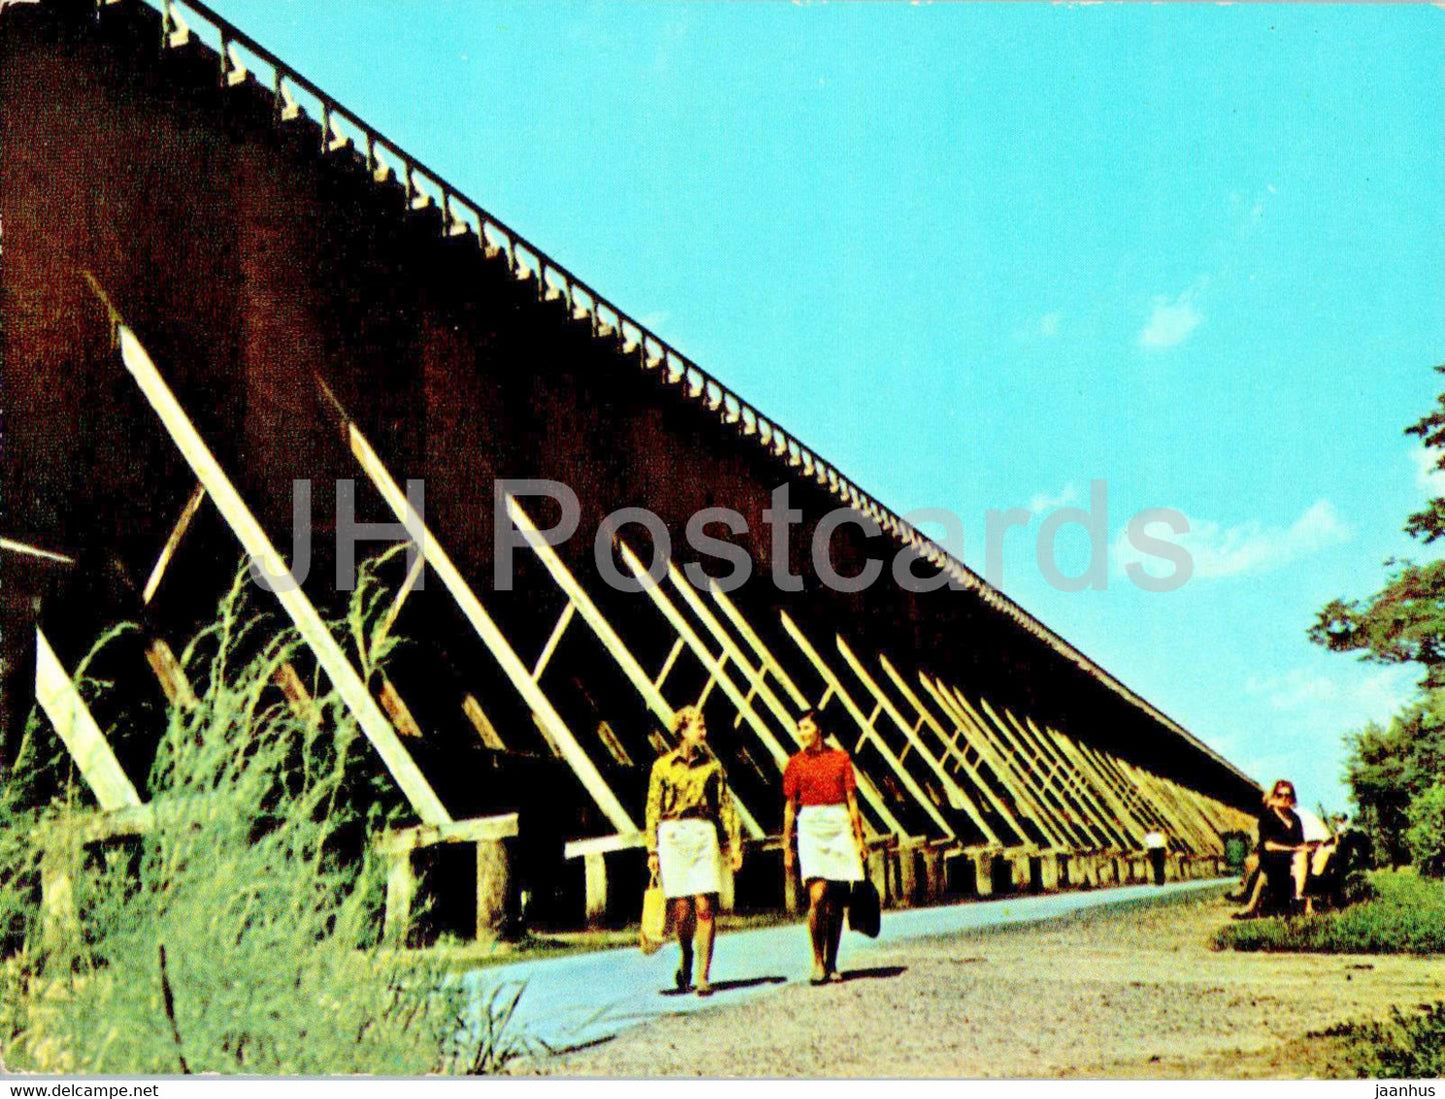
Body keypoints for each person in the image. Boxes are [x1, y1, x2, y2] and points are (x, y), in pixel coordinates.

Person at [646, 705, 742, 997]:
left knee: (704, 905)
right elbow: (653, 808)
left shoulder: (712, 767)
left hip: (703, 833)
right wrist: (652, 849)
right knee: (682, 908)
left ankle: (703, 975)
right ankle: (686, 953)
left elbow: (725, 806)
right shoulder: (662, 766)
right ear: (683, 730)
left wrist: (735, 843)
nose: (704, 732)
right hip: (673, 835)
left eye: (704, 726)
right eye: (699, 727)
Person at [782, 710, 866, 985]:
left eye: (806, 727)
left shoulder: (841, 759)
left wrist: (859, 839)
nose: (802, 733)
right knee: (818, 896)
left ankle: (832, 962)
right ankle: (817, 961)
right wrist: (786, 845)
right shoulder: (794, 763)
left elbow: (852, 801)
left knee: (838, 900)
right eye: (799, 728)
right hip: (811, 826)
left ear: (819, 729)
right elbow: (790, 806)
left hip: (838, 823)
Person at [1255, 779, 1306, 916]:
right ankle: (1296, 900)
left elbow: (1300, 842)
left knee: (1303, 856)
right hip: (1272, 858)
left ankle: (1298, 898)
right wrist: (1293, 849)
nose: (1284, 798)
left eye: (1287, 795)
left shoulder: (1295, 819)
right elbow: (1269, 845)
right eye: (1280, 795)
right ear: (1274, 796)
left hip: (1291, 857)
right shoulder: (1268, 816)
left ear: (1292, 797)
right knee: (1297, 856)